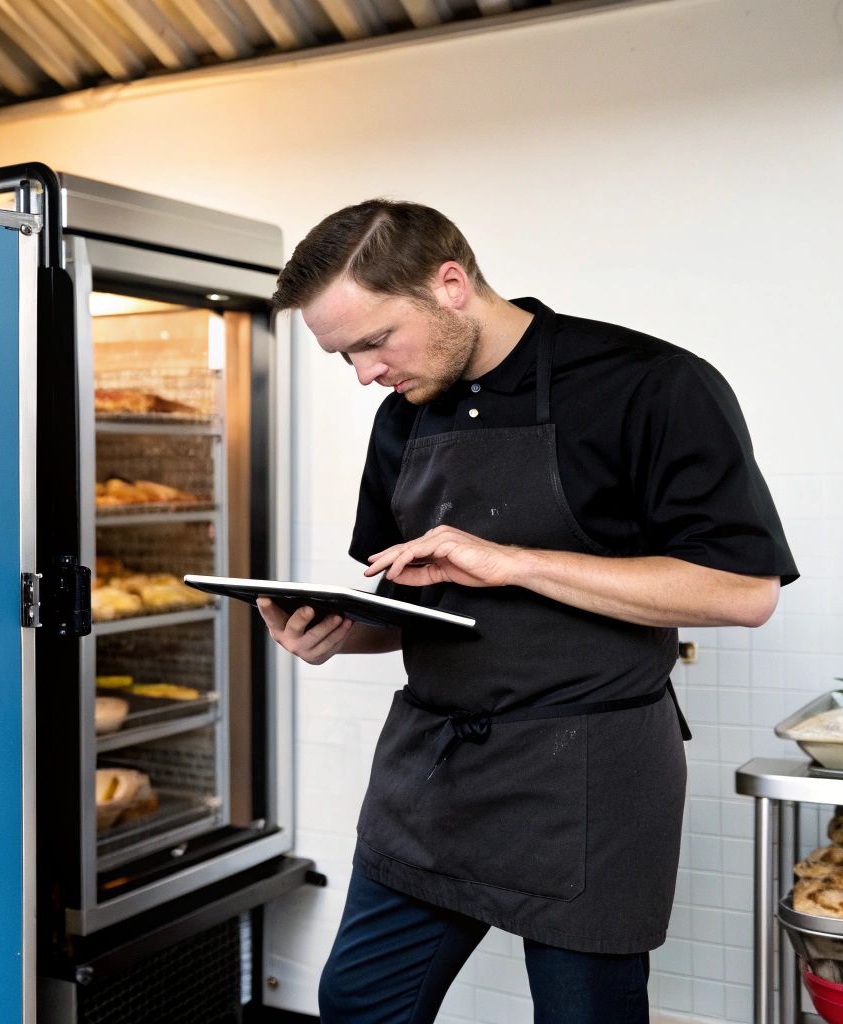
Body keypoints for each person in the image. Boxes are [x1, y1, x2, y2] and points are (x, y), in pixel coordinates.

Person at [261, 200, 798, 1024]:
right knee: (360, 1002)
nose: (367, 374)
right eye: (346, 357)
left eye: (374, 342)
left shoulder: (649, 384)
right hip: (432, 768)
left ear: (451, 284)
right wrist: (339, 632)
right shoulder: (402, 418)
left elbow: (743, 590)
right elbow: (412, 605)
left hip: (588, 774)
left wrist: (514, 562)